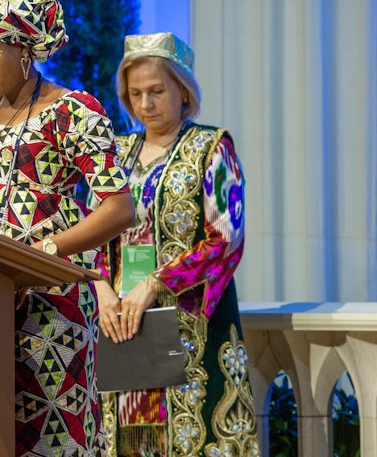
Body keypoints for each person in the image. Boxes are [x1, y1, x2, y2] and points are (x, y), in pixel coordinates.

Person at [0, 0, 135, 457]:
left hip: (51, 309)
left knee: (53, 442)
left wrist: (41, 252)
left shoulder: (74, 111)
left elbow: (119, 208)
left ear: (23, 48)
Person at [95, 32, 259, 456]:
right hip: (123, 320)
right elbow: (90, 232)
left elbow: (225, 238)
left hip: (189, 328)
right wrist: (101, 288)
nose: (145, 104)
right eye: (135, 94)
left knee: (192, 438)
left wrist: (153, 284)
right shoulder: (117, 152)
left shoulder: (211, 146)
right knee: (130, 439)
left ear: (183, 92)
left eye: (156, 91)